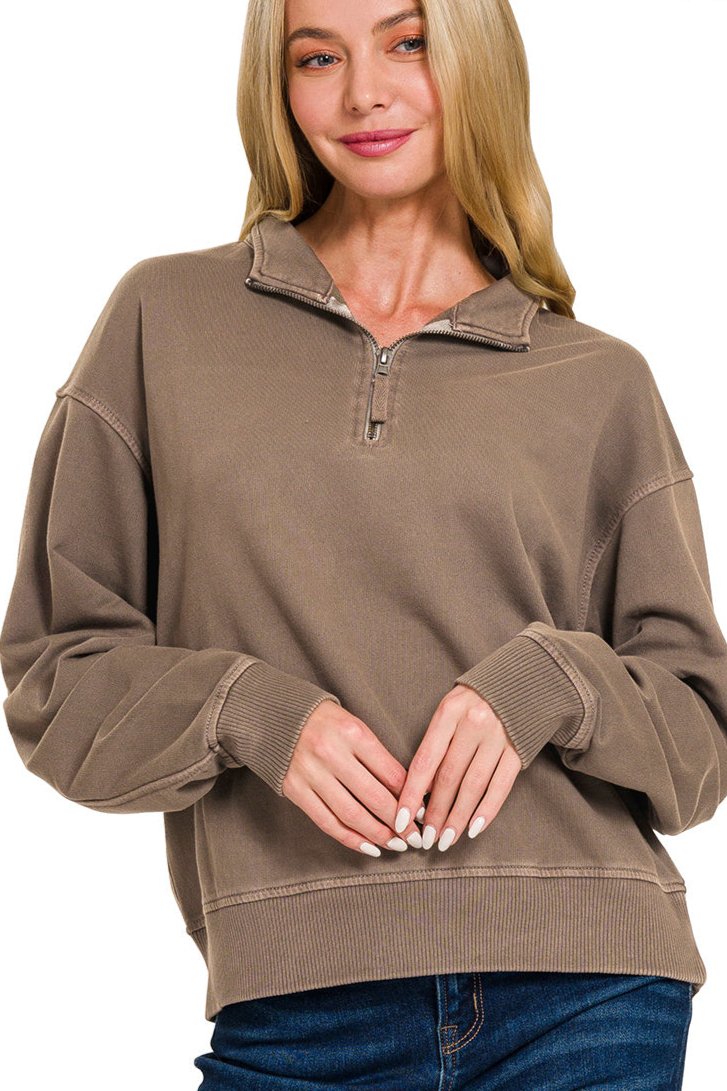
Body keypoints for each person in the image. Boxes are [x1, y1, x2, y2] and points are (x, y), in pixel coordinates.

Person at [1, 0, 725, 1087]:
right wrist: (245, 709)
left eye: (407, 42)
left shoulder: (596, 377)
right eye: (316, 57)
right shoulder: (164, 320)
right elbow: (55, 675)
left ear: (475, 60)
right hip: (296, 1012)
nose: (363, 94)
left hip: (587, 989)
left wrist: (552, 681)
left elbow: (699, 733)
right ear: (278, 87)